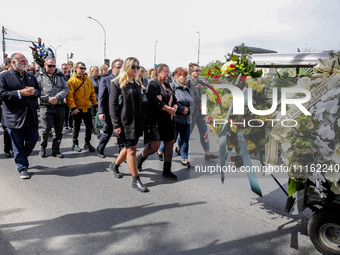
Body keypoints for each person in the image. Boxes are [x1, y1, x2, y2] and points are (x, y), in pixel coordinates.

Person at [109, 57, 149, 192]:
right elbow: (112, 105)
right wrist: (116, 125)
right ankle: (135, 179)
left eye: (137, 67)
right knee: (131, 149)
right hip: (124, 122)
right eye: (133, 66)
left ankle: (114, 165)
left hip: (137, 122)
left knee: (128, 148)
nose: (136, 69)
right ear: (126, 66)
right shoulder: (116, 82)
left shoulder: (137, 83)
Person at [0, 53, 41, 179]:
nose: (25, 63)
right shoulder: (4, 76)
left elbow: (39, 91)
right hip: (14, 117)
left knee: (33, 139)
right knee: (17, 145)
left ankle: (22, 156)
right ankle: (22, 167)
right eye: (22, 61)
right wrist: (19, 93)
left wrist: (34, 92)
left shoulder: (30, 76)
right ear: (13, 63)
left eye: (26, 60)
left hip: (30, 116)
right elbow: (1, 95)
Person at [137, 63, 178, 180]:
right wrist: (168, 108)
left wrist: (174, 108)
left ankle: (167, 170)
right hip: (155, 120)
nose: (168, 73)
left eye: (168, 71)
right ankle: (139, 159)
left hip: (168, 120)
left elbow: (174, 99)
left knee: (169, 144)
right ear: (158, 72)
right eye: (165, 71)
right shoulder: (153, 84)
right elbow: (154, 101)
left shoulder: (168, 85)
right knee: (155, 146)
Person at [180, 63, 218, 160]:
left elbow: (208, 91)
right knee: (187, 133)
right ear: (191, 72)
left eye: (199, 70)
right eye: (196, 70)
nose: (198, 72)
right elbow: (188, 96)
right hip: (192, 112)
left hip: (201, 111)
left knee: (204, 131)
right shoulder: (188, 82)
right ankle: (178, 147)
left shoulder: (201, 82)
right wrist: (200, 99)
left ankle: (207, 153)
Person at [158, 67, 194, 167]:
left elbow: (193, 103)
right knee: (172, 139)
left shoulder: (188, 89)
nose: (186, 78)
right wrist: (180, 109)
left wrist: (189, 110)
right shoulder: (172, 87)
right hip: (176, 118)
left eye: (186, 76)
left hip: (187, 119)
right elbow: (171, 101)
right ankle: (160, 150)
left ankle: (184, 158)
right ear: (177, 76)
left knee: (185, 139)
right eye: (183, 76)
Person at [37, 57, 69, 158]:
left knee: (58, 130)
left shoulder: (60, 75)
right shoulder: (39, 75)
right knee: (46, 129)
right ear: (45, 65)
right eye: (50, 66)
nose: (52, 68)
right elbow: (37, 90)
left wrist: (57, 97)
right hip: (45, 106)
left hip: (58, 105)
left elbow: (65, 88)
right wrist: (48, 98)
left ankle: (56, 150)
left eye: (54, 66)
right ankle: (43, 147)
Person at [66, 62, 98, 152]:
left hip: (87, 107)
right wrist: (73, 108)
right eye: (81, 68)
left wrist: (95, 104)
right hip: (77, 108)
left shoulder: (88, 80)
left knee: (89, 127)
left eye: (84, 68)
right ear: (76, 68)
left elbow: (92, 94)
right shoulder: (71, 81)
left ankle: (87, 143)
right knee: (76, 127)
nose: (83, 70)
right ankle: (75, 143)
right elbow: (69, 96)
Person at [97, 58, 123, 158]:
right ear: (112, 68)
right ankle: (100, 149)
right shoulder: (106, 80)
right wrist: (101, 112)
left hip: (120, 112)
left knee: (120, 133)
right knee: (107, 132)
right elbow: (101, 97)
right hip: (109, 111)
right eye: (118, 67)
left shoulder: (123, 80)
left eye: (122, 67)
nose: (120, 69)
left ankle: (121, 154)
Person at [89, 66, 102, 139]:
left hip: (100, 100)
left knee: (98, 116)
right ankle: (97, 132)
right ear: (92, 71)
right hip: (92, 100)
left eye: (98, 70)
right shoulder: (89, 79)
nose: (98, 72)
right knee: (94, 116)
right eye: (96, 71)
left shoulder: (100, 79)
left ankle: (93, 129)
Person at [60, 63, 72, 131]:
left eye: (66, 68)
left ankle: (70, 124)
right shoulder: (60, 76)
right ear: (61, 69)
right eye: (64, 68)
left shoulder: (70, 76)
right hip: (63, 96)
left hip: (70, 96)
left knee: (71, 112)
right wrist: (64, 97)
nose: (65, 70)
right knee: (65, 112)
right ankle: (65, 124)